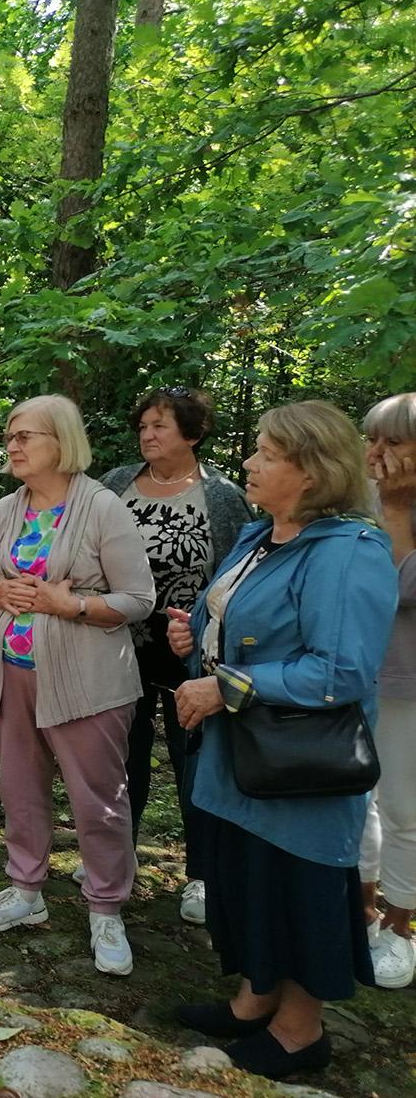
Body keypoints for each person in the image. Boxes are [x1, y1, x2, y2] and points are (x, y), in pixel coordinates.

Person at [169, 401, 396, 1080]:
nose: (249, 462)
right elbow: (240, 622)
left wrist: (226, 685)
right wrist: (194, 638)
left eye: (267, 453)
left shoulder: (348, 551)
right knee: (249, 878)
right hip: (242, 753)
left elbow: (342, 670)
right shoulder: (260, 536)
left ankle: (300, 1032)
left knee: (296, 885)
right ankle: (254, 1000)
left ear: (312, 471)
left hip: (300, 763)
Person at [0, 395, 154, 977]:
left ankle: (106, 908)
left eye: (26, 435)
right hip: (11, 672)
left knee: (98, 800)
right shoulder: (6, 509)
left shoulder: (102, 507)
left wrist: (71, 605)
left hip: (86, 681)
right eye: (10, 435)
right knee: (19, 787)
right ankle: (26, 889)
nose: (13, 445)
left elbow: (139, 599)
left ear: (62, 441)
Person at [98, 386, 253, 924]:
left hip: (191, 651)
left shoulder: (222, 496)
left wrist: (207, 635)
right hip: (118, 644)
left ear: (193, 432)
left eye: (159, 425)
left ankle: (203, 875)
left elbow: (238, 578)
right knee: (122, 754)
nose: (147, 435)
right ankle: (116, 858)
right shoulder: (116, 483)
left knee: (196, 761)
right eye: (143, 426)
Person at [356, 392, 416, 989]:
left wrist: (397, 511)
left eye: (394, 441)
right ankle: (362, 906)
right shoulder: (361, 500)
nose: (378, 453)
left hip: (407, 682)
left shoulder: (393, 506)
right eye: (372, 439)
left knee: (404, 806)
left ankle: (401, 928)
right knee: (356, 797)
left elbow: (395, 589)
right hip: (354, 673)